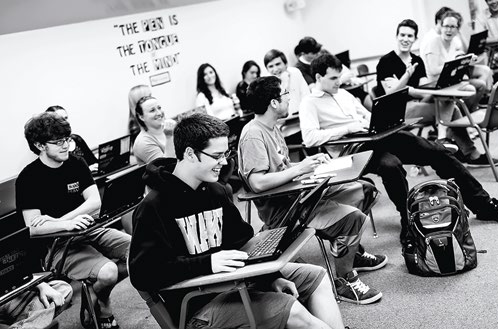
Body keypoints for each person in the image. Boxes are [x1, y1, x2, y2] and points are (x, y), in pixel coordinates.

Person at [129, 113, 347, 329]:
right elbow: (143, 274)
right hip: (197, 308)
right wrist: (207, 263)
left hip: (234, 284)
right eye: (216, 156)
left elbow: (242, 241)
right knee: (292, 310)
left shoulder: (216, 191)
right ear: (190, 154)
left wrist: (272, 277)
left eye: (225, 154)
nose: (223, 163)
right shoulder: (153, 206)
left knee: (315, 276)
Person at [299, 53, 498, 245]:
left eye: (339, 76)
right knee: (391, 165)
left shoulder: (345, 95)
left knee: (436, 154)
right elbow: (309, 138)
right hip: (352, 152)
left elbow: (367, 116)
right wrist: (348, 128)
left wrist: (379, 123)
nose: (339, 82)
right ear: (318, 77)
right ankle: (408, 221)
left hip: (374, 137)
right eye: (333, 78)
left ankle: (484, 204)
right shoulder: (310, 102)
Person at [238, 76, 387, 305]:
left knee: (363, 190)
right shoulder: (253, 134)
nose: (289, 98)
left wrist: (306, 165)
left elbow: (282, 168)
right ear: (274, 103)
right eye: (285, 94)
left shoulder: (273, 128)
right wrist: (301, 169)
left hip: (300, 193)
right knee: (353, 219)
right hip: (286, 209)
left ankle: (350, 252)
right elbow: (257, 183)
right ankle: (344, 280)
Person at [16, 112, 131, 329]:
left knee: (139, 250)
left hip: (89, 229)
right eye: (58, 142)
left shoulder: (76, 163)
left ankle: (93, 298)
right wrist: (64, 226)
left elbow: (95, 202)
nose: (66, 146)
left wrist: (57, 220)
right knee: (108, 273)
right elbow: (32, 227)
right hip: (57, 244)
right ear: (40, 145)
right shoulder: (28, 178)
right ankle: (102, 305)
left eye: (67, 139)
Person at [376, 19, 498, 168]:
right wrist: (407, 76)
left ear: (415, 39)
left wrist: (440, 86)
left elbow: (424, 88)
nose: (405, 39)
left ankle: (452, 148)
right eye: (402, 35)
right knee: (451, 107)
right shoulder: (386, 62)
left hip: (417, 104)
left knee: (448, 102)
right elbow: (390, 94)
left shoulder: (417, 60)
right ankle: (455, 148)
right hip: (395, 112)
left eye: (410, 36)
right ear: (396, 36)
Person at [422, 10, 492, 114]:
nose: (448, 30)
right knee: (470, 89)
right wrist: (454, 64)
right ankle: (461, 116)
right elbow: (433, 70)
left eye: (452, 27)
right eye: (446, 26)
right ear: (441, 27)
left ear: (457, 29)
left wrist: (467, 59)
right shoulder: (434, 42)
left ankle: (469, 113)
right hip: (436, 84)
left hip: (451, 80)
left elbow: (461, 55)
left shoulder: (454, 42)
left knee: (481, 85)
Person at [294, 37, 373, 111]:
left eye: (317, 50)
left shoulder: (322, 53)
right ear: (303, 53)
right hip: (327, 95)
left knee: (362, 94)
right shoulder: (300, 68)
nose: (318, 53)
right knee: (354, 101)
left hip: (341, 88)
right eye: (314, 52)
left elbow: (341, 68)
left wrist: (350, 78)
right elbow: (314, 89)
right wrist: (340, 80)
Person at [45, 105, 102, 172]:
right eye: (60, 119)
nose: (66, 122)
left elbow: (93, 161)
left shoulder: (77, 139)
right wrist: (87, 170)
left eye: (66, 118)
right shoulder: (51, 146)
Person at [0, 281, 72, 329]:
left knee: (63, 287)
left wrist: (42, 286)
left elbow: (23, 274)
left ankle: (26, 325)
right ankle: (32, 323)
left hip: (14, 296)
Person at [264, 49, 310, 116]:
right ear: (267, 69)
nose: (275, 69)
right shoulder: (265, 82)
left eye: (278, 64)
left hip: (301, 116)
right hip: (279, 122)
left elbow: (306, 95)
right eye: (271, 66)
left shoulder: (295, 72)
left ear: (286, 64)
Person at [132, 95, 177, 165]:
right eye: (152, 110)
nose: (159, 113)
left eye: (159, 108)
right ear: (141, 117)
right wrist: (169, 137)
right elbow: (166, 168)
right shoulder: (143, 142)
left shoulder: (170, 128)